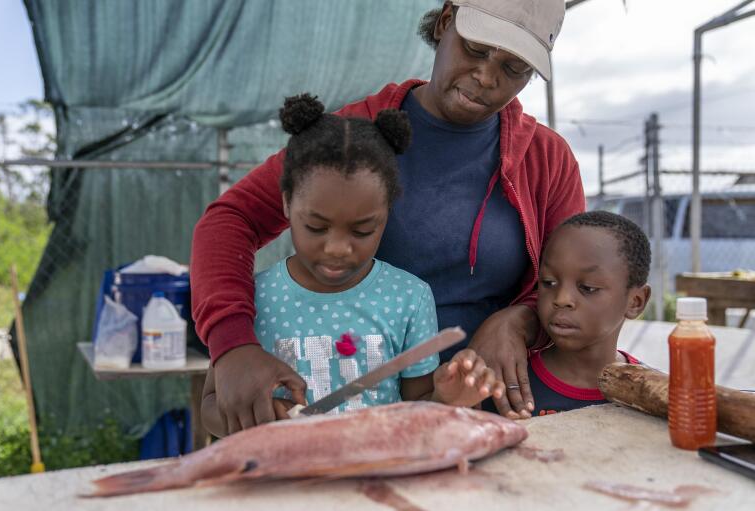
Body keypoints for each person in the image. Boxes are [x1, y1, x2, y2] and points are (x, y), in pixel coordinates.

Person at [191, 0, 585, 431]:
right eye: (475, 49)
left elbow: (575, 283)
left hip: (500, 408)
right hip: (371, 413)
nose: (487, 77)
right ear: (445, 22)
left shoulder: (547, 159)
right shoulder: (351, 140)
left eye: (514, 68)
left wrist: (518, 319)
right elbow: (229, 220)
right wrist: (232, 345)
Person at [201, 94, 504, 437]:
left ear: (387, 212)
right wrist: (257, 417)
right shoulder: (253, 298)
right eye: (316, 227)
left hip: (376, 476)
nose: (337, 248)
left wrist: (449, 400)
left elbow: (419, 409)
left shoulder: (409, 298)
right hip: (284, 483)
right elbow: (211, 406)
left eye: (362, 230)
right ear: (286, 203)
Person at [509, 211, 651, 417]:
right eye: (549, 282)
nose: (561, 298)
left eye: (587, 287)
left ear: (635, 302)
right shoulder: (510, 390)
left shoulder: (654, 394)